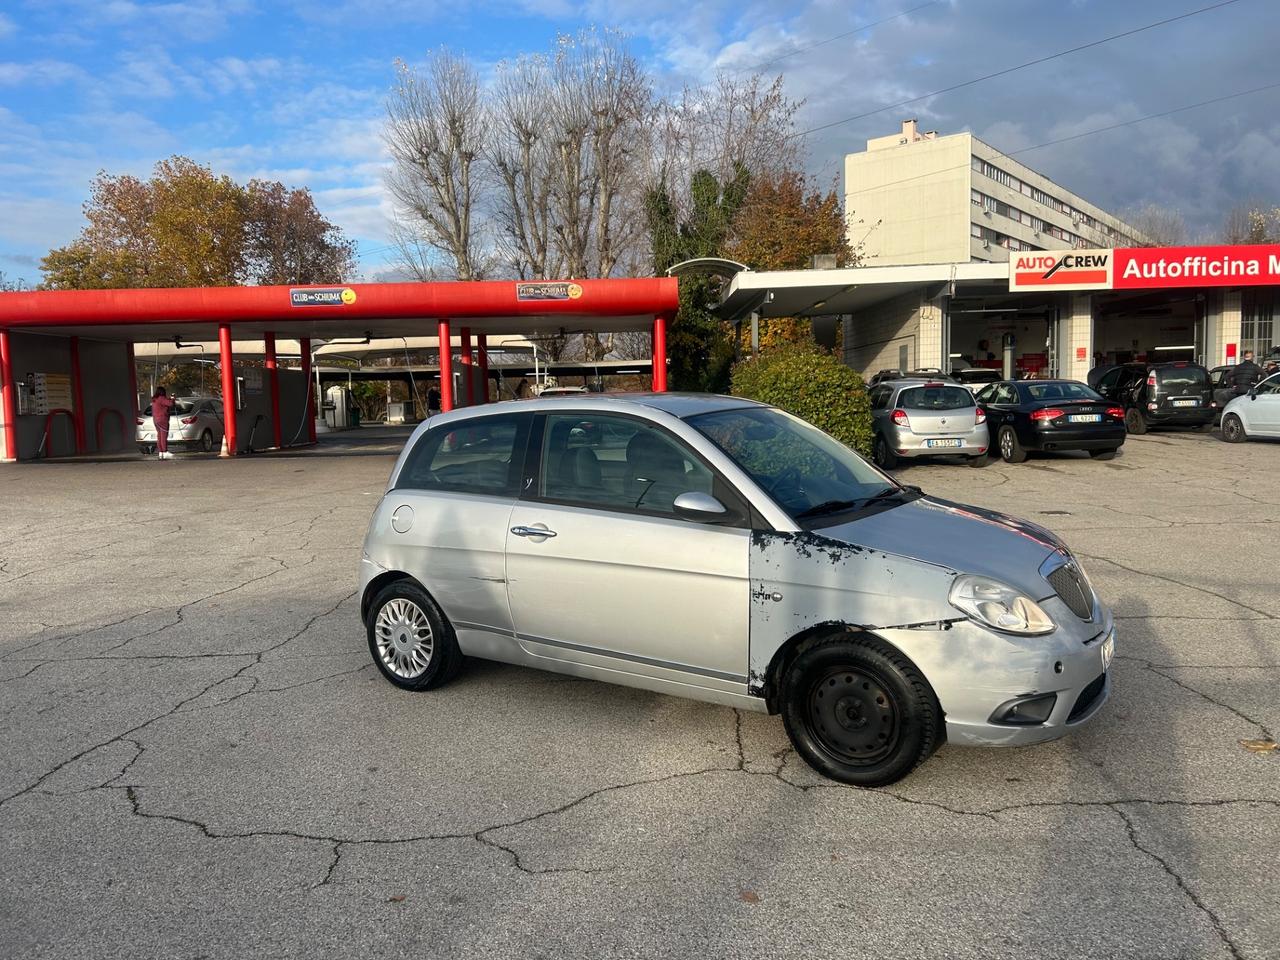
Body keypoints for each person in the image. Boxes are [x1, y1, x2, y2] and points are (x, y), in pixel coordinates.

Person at [151, 386, 175, 460]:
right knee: (164, 436)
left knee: (159, 436)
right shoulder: (162, 398)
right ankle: (165, 452)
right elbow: (170, 404)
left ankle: (160, 452)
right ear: (163, 392)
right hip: (163, 419)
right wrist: (173, 398)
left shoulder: (155, 399)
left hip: (156, 420)